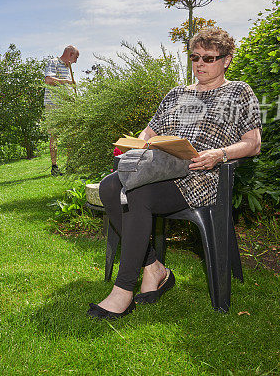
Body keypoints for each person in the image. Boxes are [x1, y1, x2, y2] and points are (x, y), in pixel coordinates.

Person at [88, 27, 261, 320]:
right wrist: (140, 144)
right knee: (109, 186)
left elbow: (253, 143)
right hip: (161, 168)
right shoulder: (176, 94)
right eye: (195, 57)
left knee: (136, 194)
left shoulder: (238, 92)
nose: (200, 64)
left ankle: (124, 290)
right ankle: (154, 268)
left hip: (201, 176)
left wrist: (219, 154)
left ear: (227, 60)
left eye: (208, 58)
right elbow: (150, 131)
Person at [44, 45, 79, 176]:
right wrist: (66, 82)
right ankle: (54, 167)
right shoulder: (53, 62)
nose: (76, 61)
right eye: (76, 57)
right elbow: (48, 80)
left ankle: (70, 165)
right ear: (70, 54)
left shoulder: (67, 67)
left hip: (65, 104)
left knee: (71, 133)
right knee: (55, 135)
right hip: (53, 104)